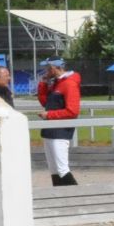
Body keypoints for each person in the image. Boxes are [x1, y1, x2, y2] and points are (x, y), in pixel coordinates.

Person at [36, 56, 81, 187]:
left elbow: (72, 111)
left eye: (48, 68)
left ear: (55, 68)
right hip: (51, 130)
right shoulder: (58, 82)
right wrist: (43, 83)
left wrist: (49, 115)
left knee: (62, 169)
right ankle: (60, 196)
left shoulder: (69, 83)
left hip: (60, 131)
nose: (46, 71)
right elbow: (45, 102)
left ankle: (78, 196)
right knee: (54, 170)